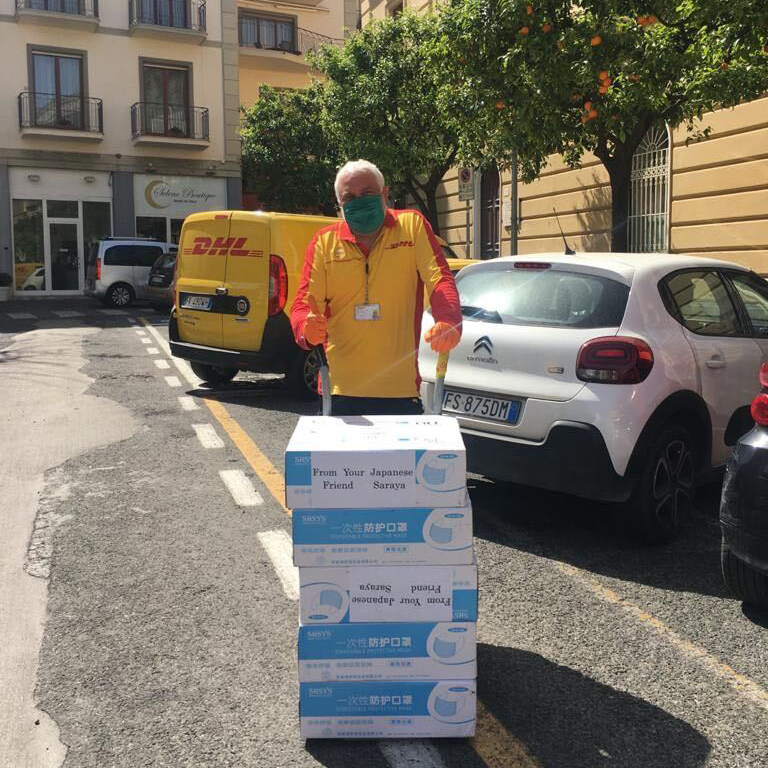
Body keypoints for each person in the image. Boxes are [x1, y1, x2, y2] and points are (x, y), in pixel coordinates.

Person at [290, 159, 462, 416]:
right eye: (350, 197)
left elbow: (440, 279)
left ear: (384, 193)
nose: (359, 201)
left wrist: (448, 321)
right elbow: (303, 305)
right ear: (340, 205)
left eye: (368, 193)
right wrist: (306, 327)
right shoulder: (323, 243)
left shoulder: (412, 228)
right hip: (338, 392)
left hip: (400, 392)